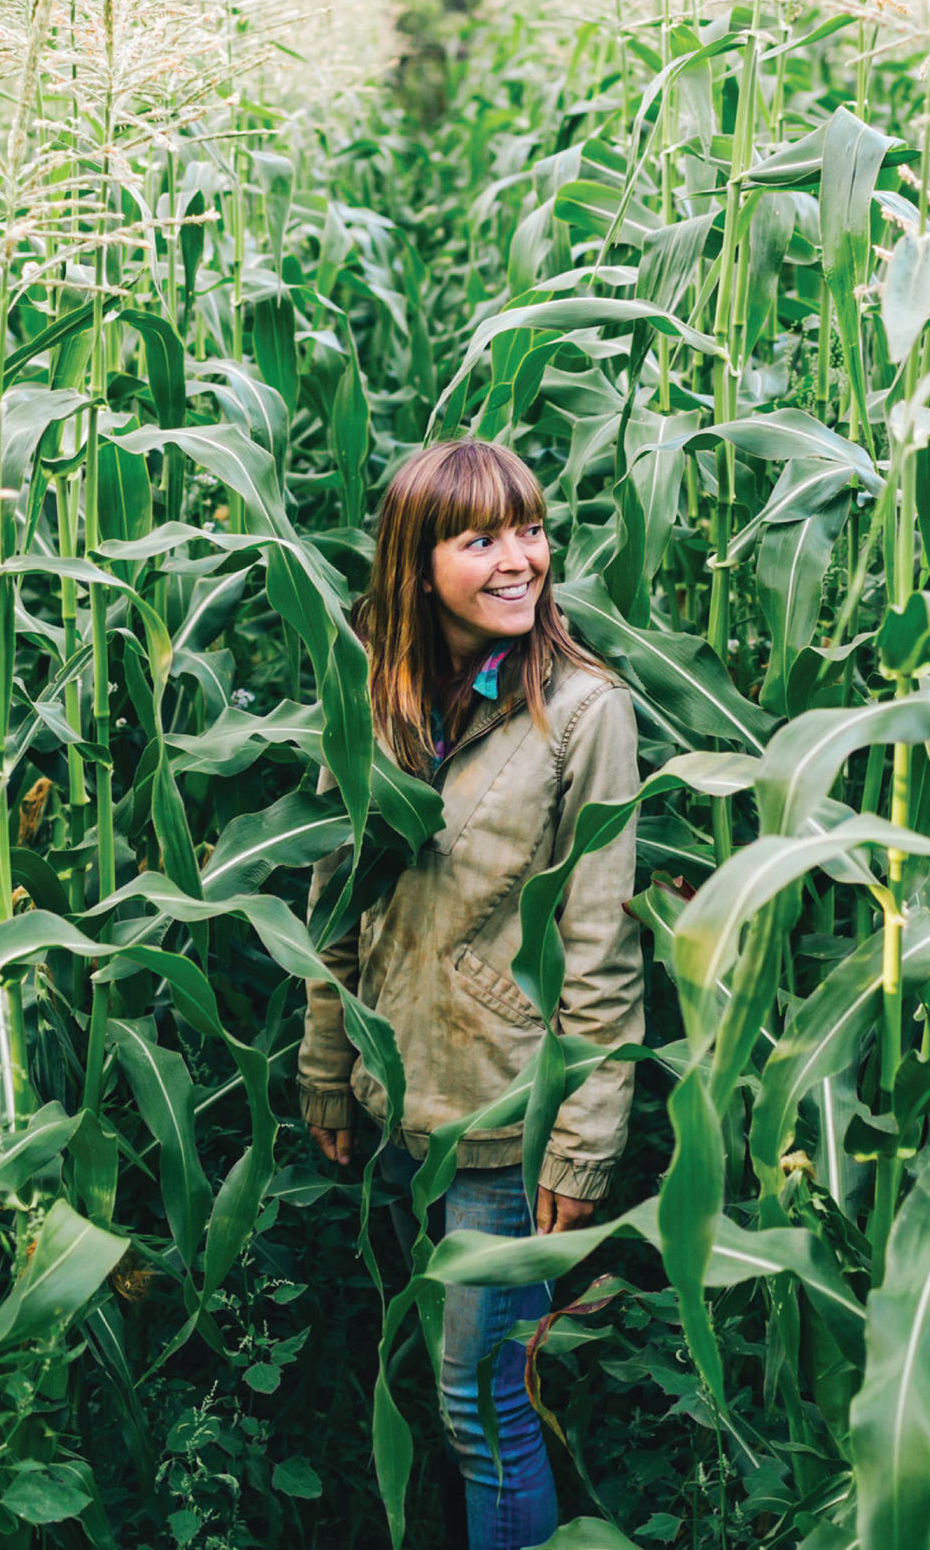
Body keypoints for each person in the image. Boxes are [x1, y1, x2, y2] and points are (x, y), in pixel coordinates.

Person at [297, 437, 643, 1550]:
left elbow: (599, 947)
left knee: (483, 1404)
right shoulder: (376, 694)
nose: (520, 559)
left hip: (506, 1120)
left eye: (530, 530)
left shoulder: (584, 716)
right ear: (416, 561)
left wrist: (579, 1147)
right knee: (432, 1383)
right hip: (395, 1094)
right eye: (481, 537)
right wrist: (325, 1068)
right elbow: (331, 898)